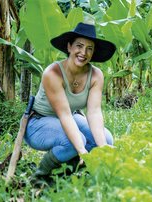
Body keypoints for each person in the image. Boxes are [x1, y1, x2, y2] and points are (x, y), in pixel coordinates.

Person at [24, 22, 116, 178]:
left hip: (70, 117)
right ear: (69, 47)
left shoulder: (96, 75)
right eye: (79, 46)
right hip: (38, 122)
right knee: (74, 142)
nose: (83, 53)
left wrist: (102, 149)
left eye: (89, 48)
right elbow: (64, 114)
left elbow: (94, 112)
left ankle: (69, 174)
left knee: (106, 139)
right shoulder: (52, 73)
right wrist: (82, 150)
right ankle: (41, 177)